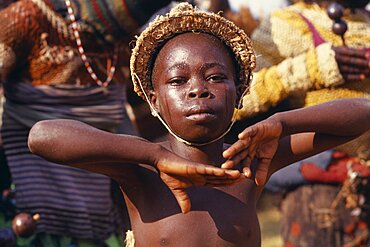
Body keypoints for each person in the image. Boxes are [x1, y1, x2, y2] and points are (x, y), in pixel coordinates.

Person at [26, 3, 370, 246]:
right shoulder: (141, 172)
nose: (197, 88)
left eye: (216, 77)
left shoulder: (250, 163)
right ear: (153, 99)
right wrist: (152, 155)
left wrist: (281, 122)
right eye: (177, 81)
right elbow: (41, 136)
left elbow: (363, 111)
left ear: (239, 93)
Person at [0, 0, 172, 246]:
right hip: (30, 196)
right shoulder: (25, 19)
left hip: (102, 204)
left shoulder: (125, 43)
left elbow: (151, 117)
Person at [231, 0, 370, 246]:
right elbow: (238, 97)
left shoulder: (365, 21)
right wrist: (309, 68)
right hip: (318, 192)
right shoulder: (284, 24)